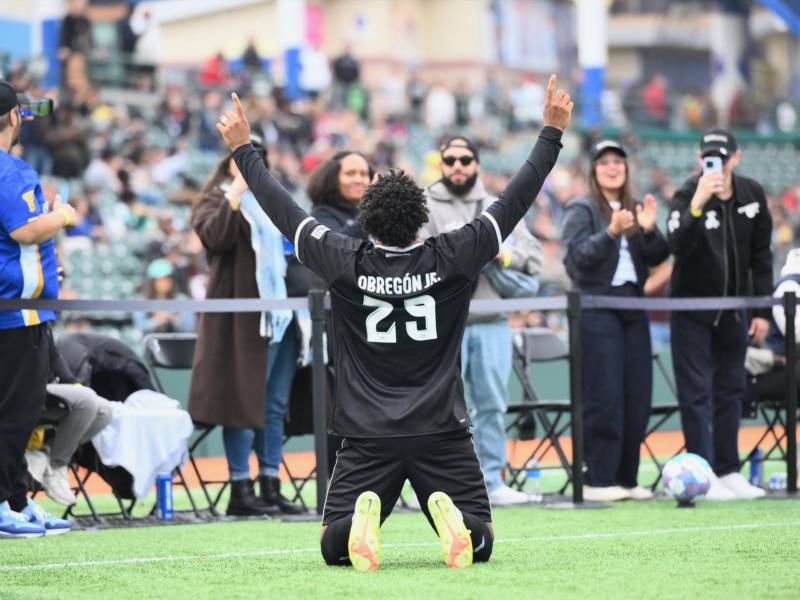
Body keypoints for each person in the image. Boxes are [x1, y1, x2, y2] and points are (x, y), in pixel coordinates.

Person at [215, 74, 572, 570]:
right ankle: (451, 519)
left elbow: (284, 211)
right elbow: (513, 201)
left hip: (366, 434)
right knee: (482, 543)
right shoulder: (453, 253)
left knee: (333, 548)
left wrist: (243, 149)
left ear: (367, 218)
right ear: (420, 216)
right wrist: (551, 133)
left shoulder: (344, 258)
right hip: (442, 430)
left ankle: (364, 516)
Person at [419, 135, 542, 506]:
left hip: (490, 321)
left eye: (466, 159)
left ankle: (492, 479)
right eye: (451, 159)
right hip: (441, 326)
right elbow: (414, 257)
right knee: (434, 408)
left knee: (491, 403)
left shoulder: (496, 206)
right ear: (441, 164)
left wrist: (502, 256)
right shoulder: (424, 206)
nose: (458, 166)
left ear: (477, 164)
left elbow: (534, 259)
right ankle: (436, 485)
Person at [189, 137, 302, 516]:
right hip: (243, 322)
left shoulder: (275, 204)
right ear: (230, 162)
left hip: (283, 317)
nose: (255, 167)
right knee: (242, 403)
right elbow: (215, 238)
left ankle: (270, 482)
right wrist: (235, 192)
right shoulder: (215, 198)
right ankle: (240, 486)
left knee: (273, 406)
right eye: (246, 159)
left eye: (259, 161)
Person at [561, 140, 670, 502]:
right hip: (596, 307)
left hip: (632, 306)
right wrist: (610, 232)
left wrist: (650, 229)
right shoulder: (581, 208)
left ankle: (627, 478)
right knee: (604, 395)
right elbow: (576, 260)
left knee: (638, 394)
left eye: (618, 161)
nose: (612, 167)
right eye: (604, 161)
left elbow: (657, 257)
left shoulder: (636, 208)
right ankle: (600, 479)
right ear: (594, 169)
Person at [667, 129, 772, 500]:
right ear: (699, 160)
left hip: (734, 312)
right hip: (691, 310)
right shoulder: (687, 193)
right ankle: (703, 472)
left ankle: (729, 470)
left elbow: (762, 256)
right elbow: (675, 244)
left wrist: (762, 310)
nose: (716, 164)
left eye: (722, 157)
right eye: (708, 157)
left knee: (731, 390)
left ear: (736, 158)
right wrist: (697, 203)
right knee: (695, 393)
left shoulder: (752, 194)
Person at [0, 79, 74, 537]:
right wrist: (64, 215)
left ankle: (17, 499)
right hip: (17, 314)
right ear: (13, 118)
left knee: (19, 412)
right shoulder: (10, 169)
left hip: (19, 310)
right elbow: (24, 232)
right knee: (17, 413)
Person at [26, 337, 113, 506]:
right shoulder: (16, 317)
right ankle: (57, 464)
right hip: (18, 390)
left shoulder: (41, 321)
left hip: (43, 389)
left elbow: (52, 353)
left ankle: (48, 456)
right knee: (86, 400)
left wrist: (72, 382)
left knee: (104, 411)